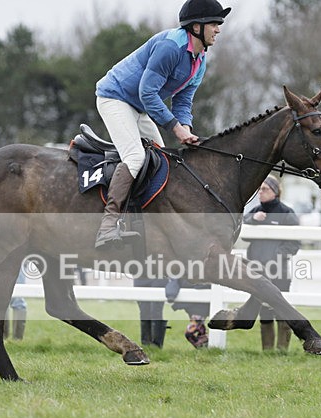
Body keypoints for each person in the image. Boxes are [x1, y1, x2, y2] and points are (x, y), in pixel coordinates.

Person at [93, 0, 231, 249]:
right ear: (196, 27)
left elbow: (183, 101)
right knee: (135, 158)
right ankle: (108, 226)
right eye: (214, 23)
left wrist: (185, 129)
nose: (218, 29)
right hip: (115, 97)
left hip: (139, 107)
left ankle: (140, 220)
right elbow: (148, 93)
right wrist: (175, 128)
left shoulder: (199, 60)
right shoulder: (170, 47)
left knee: (162, 160)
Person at [242, 175, 300, 351]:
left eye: (265, 189)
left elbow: (294, 244)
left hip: (279, 271)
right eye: (259, 189)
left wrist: (275, 257)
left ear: (275, 192)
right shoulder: (255, 212)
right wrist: (253, 220)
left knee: (282, 311)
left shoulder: (287, 213)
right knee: (264, 312)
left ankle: (282, 351)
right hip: (258, 272)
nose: (260, 192)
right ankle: (267, 351)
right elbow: (243, 231)